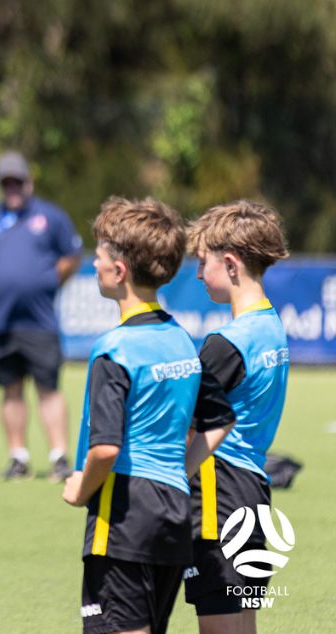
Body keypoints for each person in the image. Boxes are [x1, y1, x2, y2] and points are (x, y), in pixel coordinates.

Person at [61, 197, 235, 634]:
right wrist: (179, 470)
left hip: (123, 512)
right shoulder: (181, 340)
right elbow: (219, 420)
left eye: (98, 256)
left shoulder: (114, 350)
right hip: (174, 512)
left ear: (119, 272)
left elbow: (104, 447)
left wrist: (80, 488)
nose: (93, 264)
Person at [182, 201, 290, 634]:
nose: (195, 274)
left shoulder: (226, 344)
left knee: (219, 622)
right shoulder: (272, 326)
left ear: (230, 263)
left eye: (201, 262)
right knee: (243, 620)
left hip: (218, 494)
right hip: (252, 488)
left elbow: (189, 423)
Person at [0, 150, 82, 481]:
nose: (13, 187)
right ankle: (18, 457)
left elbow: (72, 255)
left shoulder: (51, 216)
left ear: (30, 181)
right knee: (10, 390)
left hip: (40, 320)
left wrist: (50, 280)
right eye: (6, 182)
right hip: (1, 321)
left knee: (48, 389)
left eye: (18, 181)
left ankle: (58, 457)